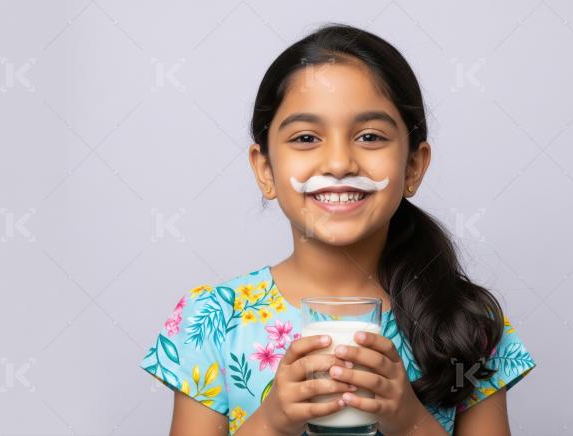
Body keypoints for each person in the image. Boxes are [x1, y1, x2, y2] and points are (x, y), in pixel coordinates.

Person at [139, 22, 536, 436]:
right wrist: (273, 421)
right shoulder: (211, 321)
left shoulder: (465, 321)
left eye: (369, 136)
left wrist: (409, 419)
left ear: (413, 167)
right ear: (265, 169)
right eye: (307, 137)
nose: (339, 162)